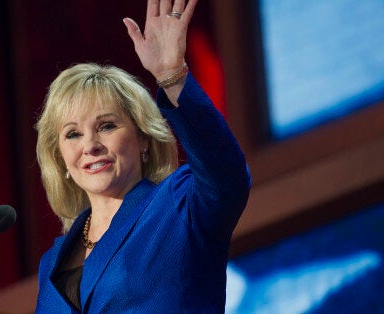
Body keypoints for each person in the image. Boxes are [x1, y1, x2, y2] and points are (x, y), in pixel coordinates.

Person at [35, 0, 251, 312]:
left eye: (106, 126)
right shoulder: (52, 262)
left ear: (143, 139)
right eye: (73, 134)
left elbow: (227, 175)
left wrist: (172, 76)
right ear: (61, 160)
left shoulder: (180, 205)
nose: (90, 145)